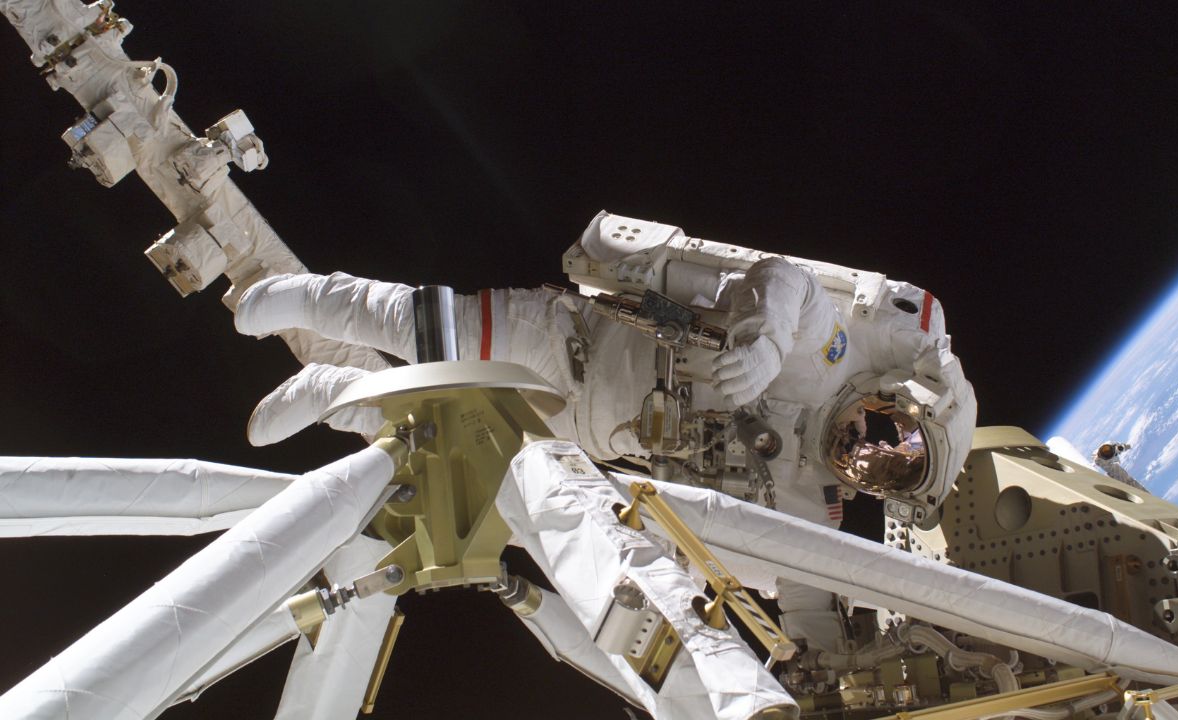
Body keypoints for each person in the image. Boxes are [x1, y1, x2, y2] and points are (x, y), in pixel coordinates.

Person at [233, 210, 978, 660]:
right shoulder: (829, 357)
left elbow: (809, 598)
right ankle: (305, 298)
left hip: (588, 429)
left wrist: (844, 662)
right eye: (893, 436)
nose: (870, 455)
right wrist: (765, 345)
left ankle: (334, 394)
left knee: (452, 446)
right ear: (896, 402)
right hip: (578, 343)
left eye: (887, 474)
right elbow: (787, 282)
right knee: (433, 331)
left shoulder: (810, 503)